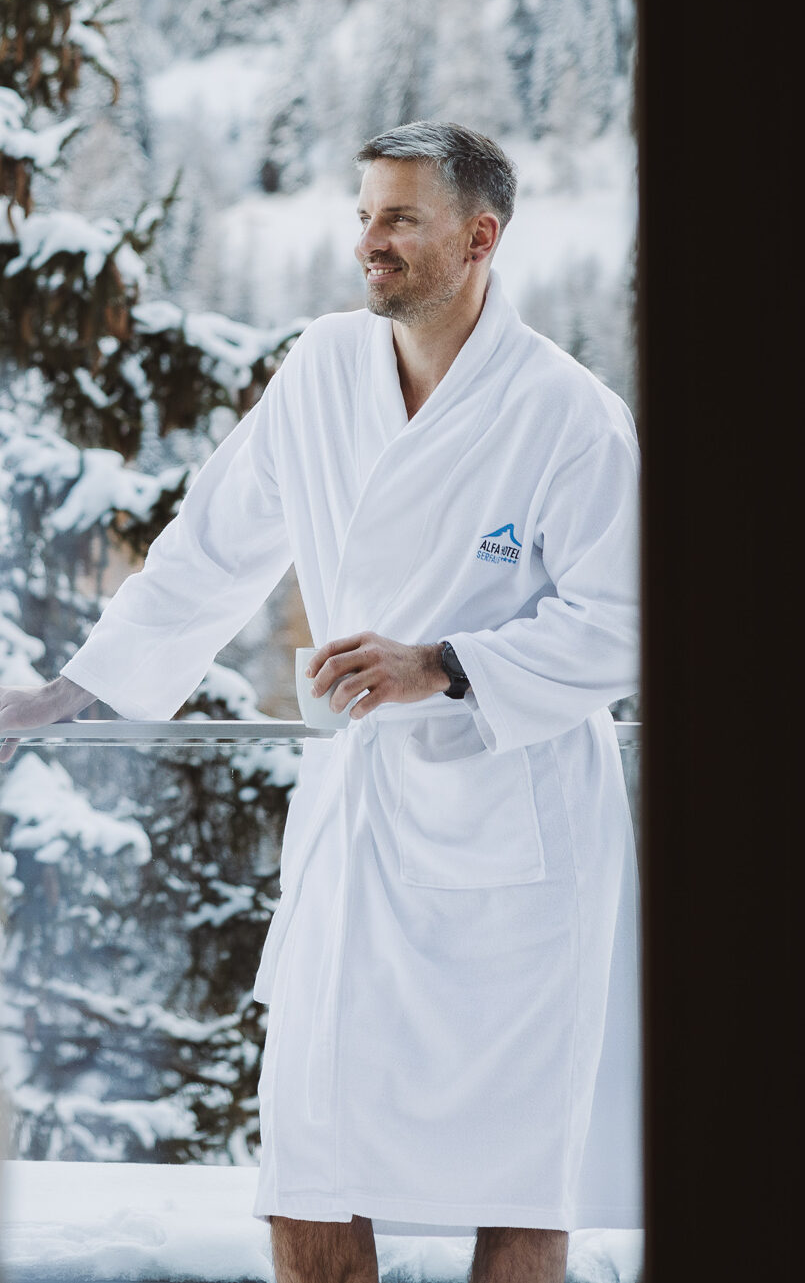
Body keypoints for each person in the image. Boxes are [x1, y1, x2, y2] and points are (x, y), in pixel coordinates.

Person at [0, 121, 641, 1283]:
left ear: (480, 237)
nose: (368, 242)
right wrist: (80, 687)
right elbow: (213, 546)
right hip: (357, 822)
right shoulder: (323, 369)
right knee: (309, 1166)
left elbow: (628, 621)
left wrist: (442, 663)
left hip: (516, 843)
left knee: (515, 1186)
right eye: (363, 215)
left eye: (399, 218)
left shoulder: (567, 414)